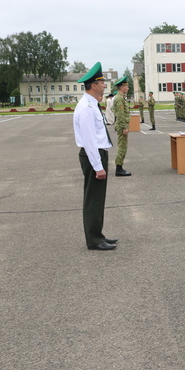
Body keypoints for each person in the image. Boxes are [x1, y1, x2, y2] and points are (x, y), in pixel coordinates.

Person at [73, 62, 117, 251]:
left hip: (97, 154)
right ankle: (94, 240)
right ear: (93, 85)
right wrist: (98, 166)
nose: (104, 85)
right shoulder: (86, 107)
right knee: (93, 199)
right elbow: (90, 140)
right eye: (102, 82)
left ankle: (98, 235)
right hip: (94, 156)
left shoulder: (92, 104)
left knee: (98, 199)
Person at [112, 75, 132, 177]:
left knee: (123, 146)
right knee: (122, 147)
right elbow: (120, 114)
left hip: (122, 125)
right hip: (122, 126)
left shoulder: (121, 98)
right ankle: (118, 168)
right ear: (122, 87)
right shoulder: (119, 99)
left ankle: (119, 167)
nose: (128, 88)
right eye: (126, 86)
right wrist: (124, 127)